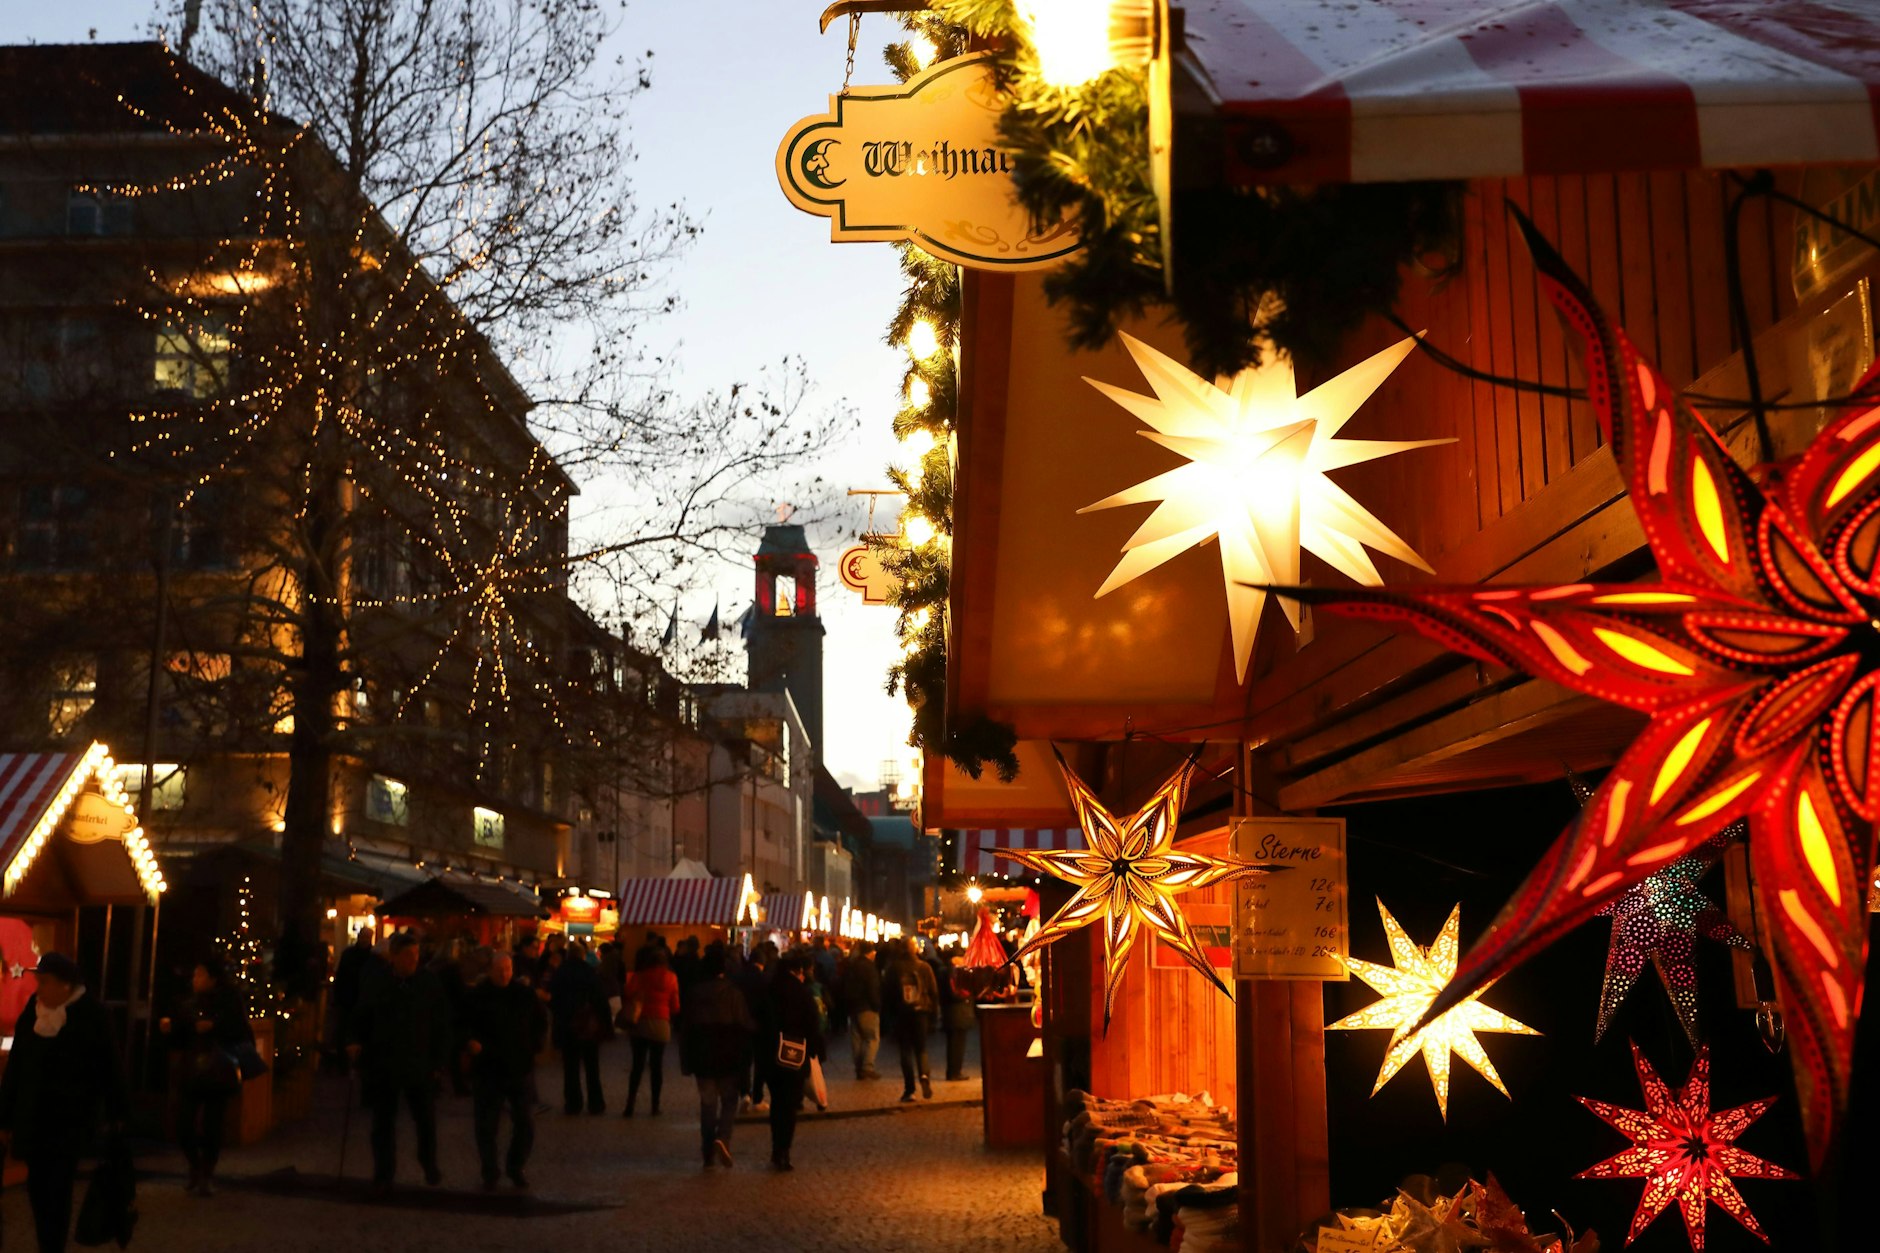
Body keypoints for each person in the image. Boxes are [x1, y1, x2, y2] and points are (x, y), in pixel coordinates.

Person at [0, 953, 129, 1252]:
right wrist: (5, 1119)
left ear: (66, 986)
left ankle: (51, 1245)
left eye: (45, 982)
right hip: (33, 1116)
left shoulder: (92, 1015)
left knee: (57, 1187)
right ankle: (49, 1241)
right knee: (37, 1187)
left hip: (68, 1119)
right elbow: (17, 1067)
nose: (39, 989)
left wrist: (117, 1113)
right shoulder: (33, 1014)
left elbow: (110, 1066)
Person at [348, 932, 451, 1196]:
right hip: (386, 1061)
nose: (413, 961)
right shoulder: (379, 982)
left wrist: (438, 1061)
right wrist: (355, 1041)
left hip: (419, 1062)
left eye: (416, 956)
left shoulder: (428, 983)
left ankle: (429, 1163)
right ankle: (384, 1173)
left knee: (425, 1120)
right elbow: (362, 1014)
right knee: (383, 1122)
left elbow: (441, 1023)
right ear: (394, 957)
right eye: (407, 956)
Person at [159, 955, 251, 1195]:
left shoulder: (229, 1000)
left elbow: (241, 1030)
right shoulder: (188, 1001)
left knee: (213, 1125)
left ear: (213, 978)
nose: (195, 979)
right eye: (194, 974)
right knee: (183, 1122)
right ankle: (195, 1165)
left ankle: (206, 1172)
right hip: (191, 1068)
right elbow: (179, 1039)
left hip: (218, 1069)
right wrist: (170, 1030)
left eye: (200, 974)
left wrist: (215, 1027)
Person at [464, 950, 546, 1191]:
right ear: (490, 971)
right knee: (487, 1125)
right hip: (488, 1068)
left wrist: (534, 1045)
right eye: (500, 970)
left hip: (519, 1067)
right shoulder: (478, 996)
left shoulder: (523, 994)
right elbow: (463, 1023)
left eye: (508, 970)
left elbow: (540, 1021)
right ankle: (490, 1170)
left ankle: (515, 1166)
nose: (504, 974)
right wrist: (470, 1041)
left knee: (525, 1122)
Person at [681, 942, 754, 1168]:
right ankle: (723, 1137)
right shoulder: (733, 993)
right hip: (727, 1055)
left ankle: (707, 1152)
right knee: (730, 1100)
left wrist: (687, 1058)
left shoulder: (694, 993)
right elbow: (744, 1025)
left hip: (702, 1056)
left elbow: (686, 1028)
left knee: (707, 1103)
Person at [765, 953, 825, 1171]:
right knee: (790, 1106)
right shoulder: (802, 992)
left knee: (777, 1103)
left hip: (772, 1055)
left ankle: (775, 1147)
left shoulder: (770, 990)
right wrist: (817, 1052)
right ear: (797, 971)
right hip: (796, 1054)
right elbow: (812, 1023)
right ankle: (784, 1151)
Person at [549, 937, 609, 1114]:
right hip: (588, 1025)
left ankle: (573, 1103)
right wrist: (605, 1025)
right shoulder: (590, 973)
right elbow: (600, 1000)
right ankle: (596, 1103)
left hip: (568, 1025)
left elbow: (554, 999)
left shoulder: (560, 973)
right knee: (592, 1066)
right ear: (583, 956)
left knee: (570, 1068)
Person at [623, 943, 681, 1116]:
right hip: (661, 1025)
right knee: (657, 1067)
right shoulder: (671, 978)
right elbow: (676, 1006)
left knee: (637, 1066)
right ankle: (655, 1106)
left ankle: (630, 1104)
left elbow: (627, 994)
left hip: (640, 1023)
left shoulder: (639, 976)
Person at [884, 937, 938, 1102]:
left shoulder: (894, 968)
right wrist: (933, 1015)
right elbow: (933, 992)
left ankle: (909, 1089)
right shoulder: (924, 967)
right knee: (921, 1048)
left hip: (902, 1014)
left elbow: (887, 994)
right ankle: (924, 1075)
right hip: (921, 1013)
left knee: (905, 1050)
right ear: (914, 949)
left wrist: (889, 1016)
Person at [736, 942, 775, 1110]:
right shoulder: (765, 979)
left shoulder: (739, 977)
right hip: (760, 1026)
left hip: (741, 1024)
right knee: (761, 1063)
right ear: (762, 963)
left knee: (744, 1060)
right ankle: (757, 1098)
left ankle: (744, 1093)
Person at [840, 939, 882, 1079]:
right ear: (870, 952)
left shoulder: (852, 965)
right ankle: (867, 1067)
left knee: (856, 1038)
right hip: (867, 1006)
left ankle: (859, 1068)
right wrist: (877, 1005)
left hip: (853, 1006)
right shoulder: (869, 967)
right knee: (872, 1038)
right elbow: (873, 988)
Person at [941, 951, 977, 1082]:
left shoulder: (946, 971)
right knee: (957, 1045)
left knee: (954, 1045)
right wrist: (967, 997)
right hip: (957, 1014)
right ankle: (954, 1072)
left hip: (954, 1014)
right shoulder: (954, 973)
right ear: (955, 959)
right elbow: (955, 993)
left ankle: (953, 1071)